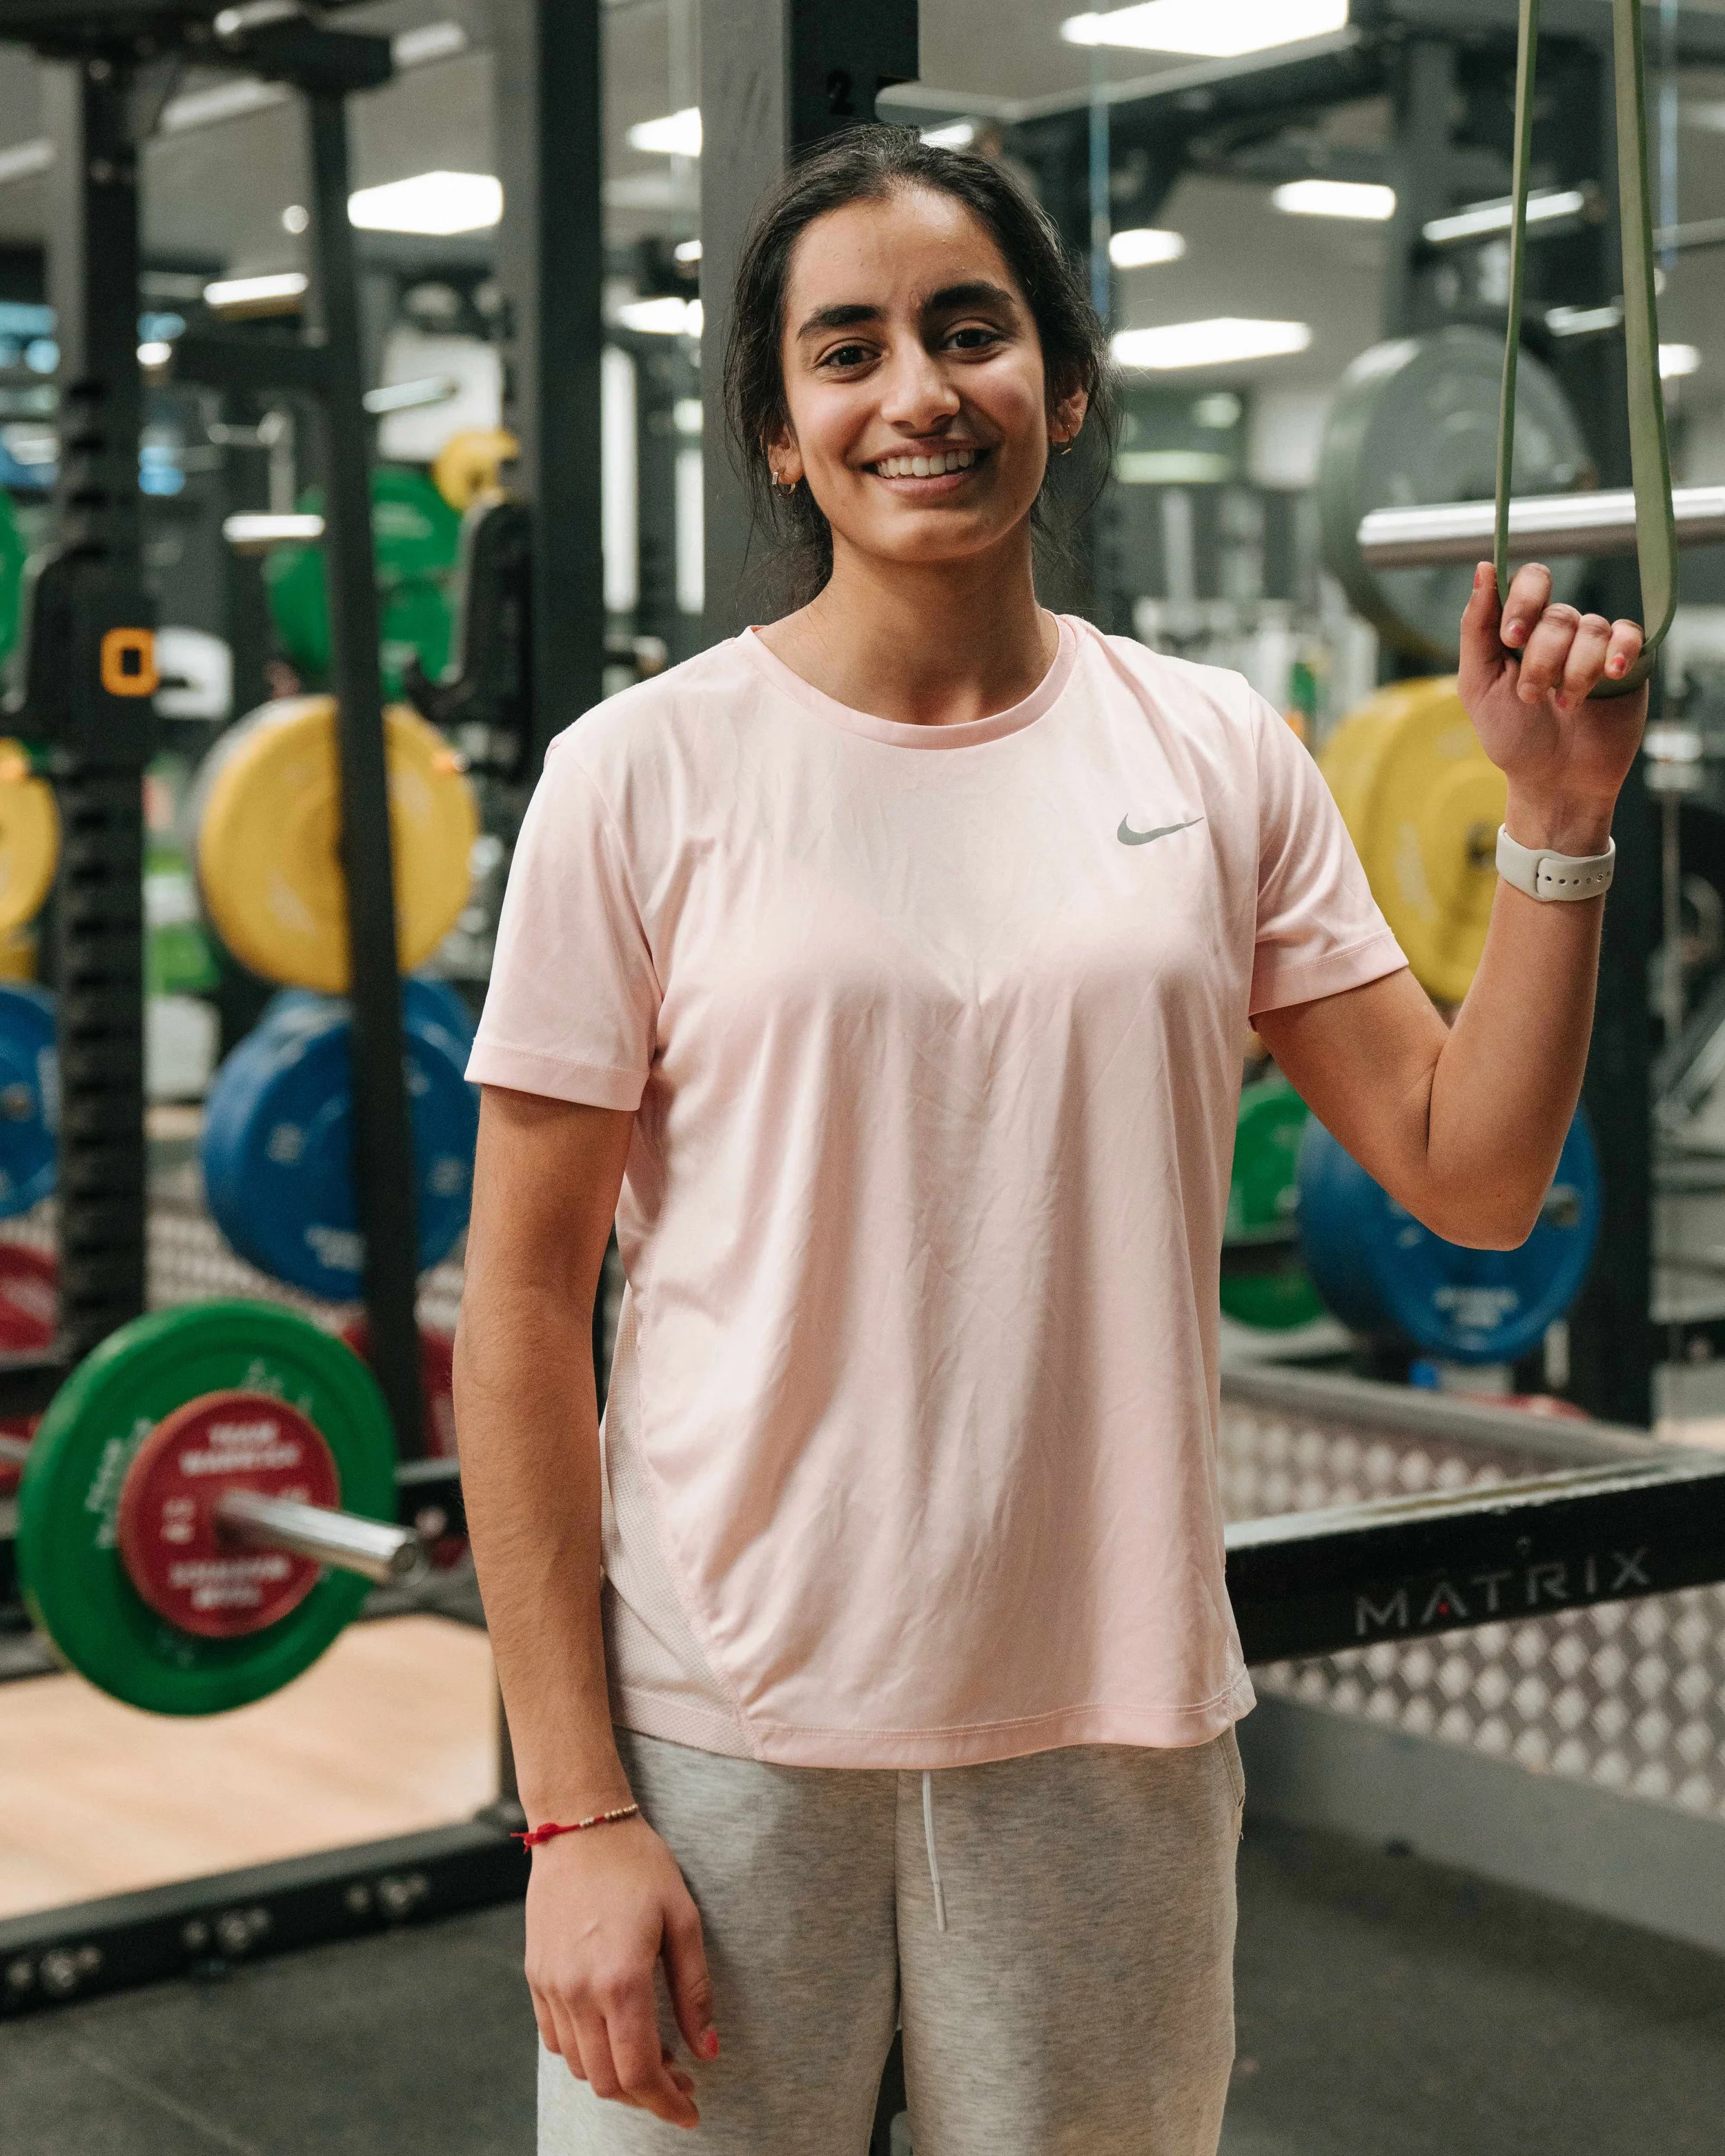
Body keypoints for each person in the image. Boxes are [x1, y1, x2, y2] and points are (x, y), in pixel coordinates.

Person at [454, 128, 1645, 2155]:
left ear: (1061, 383)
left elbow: (1468, 1175)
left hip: (1105, 1730)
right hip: (724, 1725)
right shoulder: (637, 775)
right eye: (845, 352)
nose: (914, 392)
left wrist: (1552, 825)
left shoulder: (1208, 750)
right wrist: (574, 1807)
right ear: (778, 430)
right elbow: (517, 1306)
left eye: (967, 330)